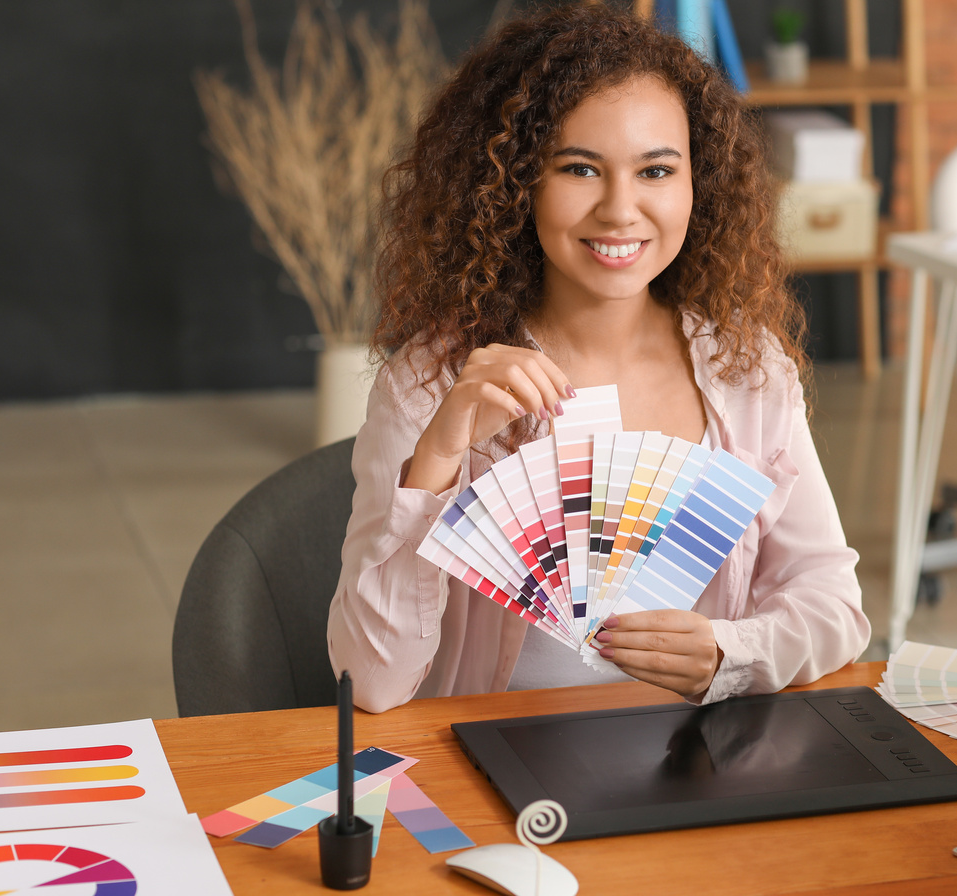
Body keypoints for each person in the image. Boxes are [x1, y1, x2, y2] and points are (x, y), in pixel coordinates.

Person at [327, 3, 870, 713]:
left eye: (655, 171)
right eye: (579, 168)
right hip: (490, 769)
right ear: (518, 182)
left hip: (691, 759)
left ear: (695, 185)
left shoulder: (748, 372)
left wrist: (729, 653)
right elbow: (368, 681)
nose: (620, 209)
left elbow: (834, 606)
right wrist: (434, 457)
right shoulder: (433, 385)